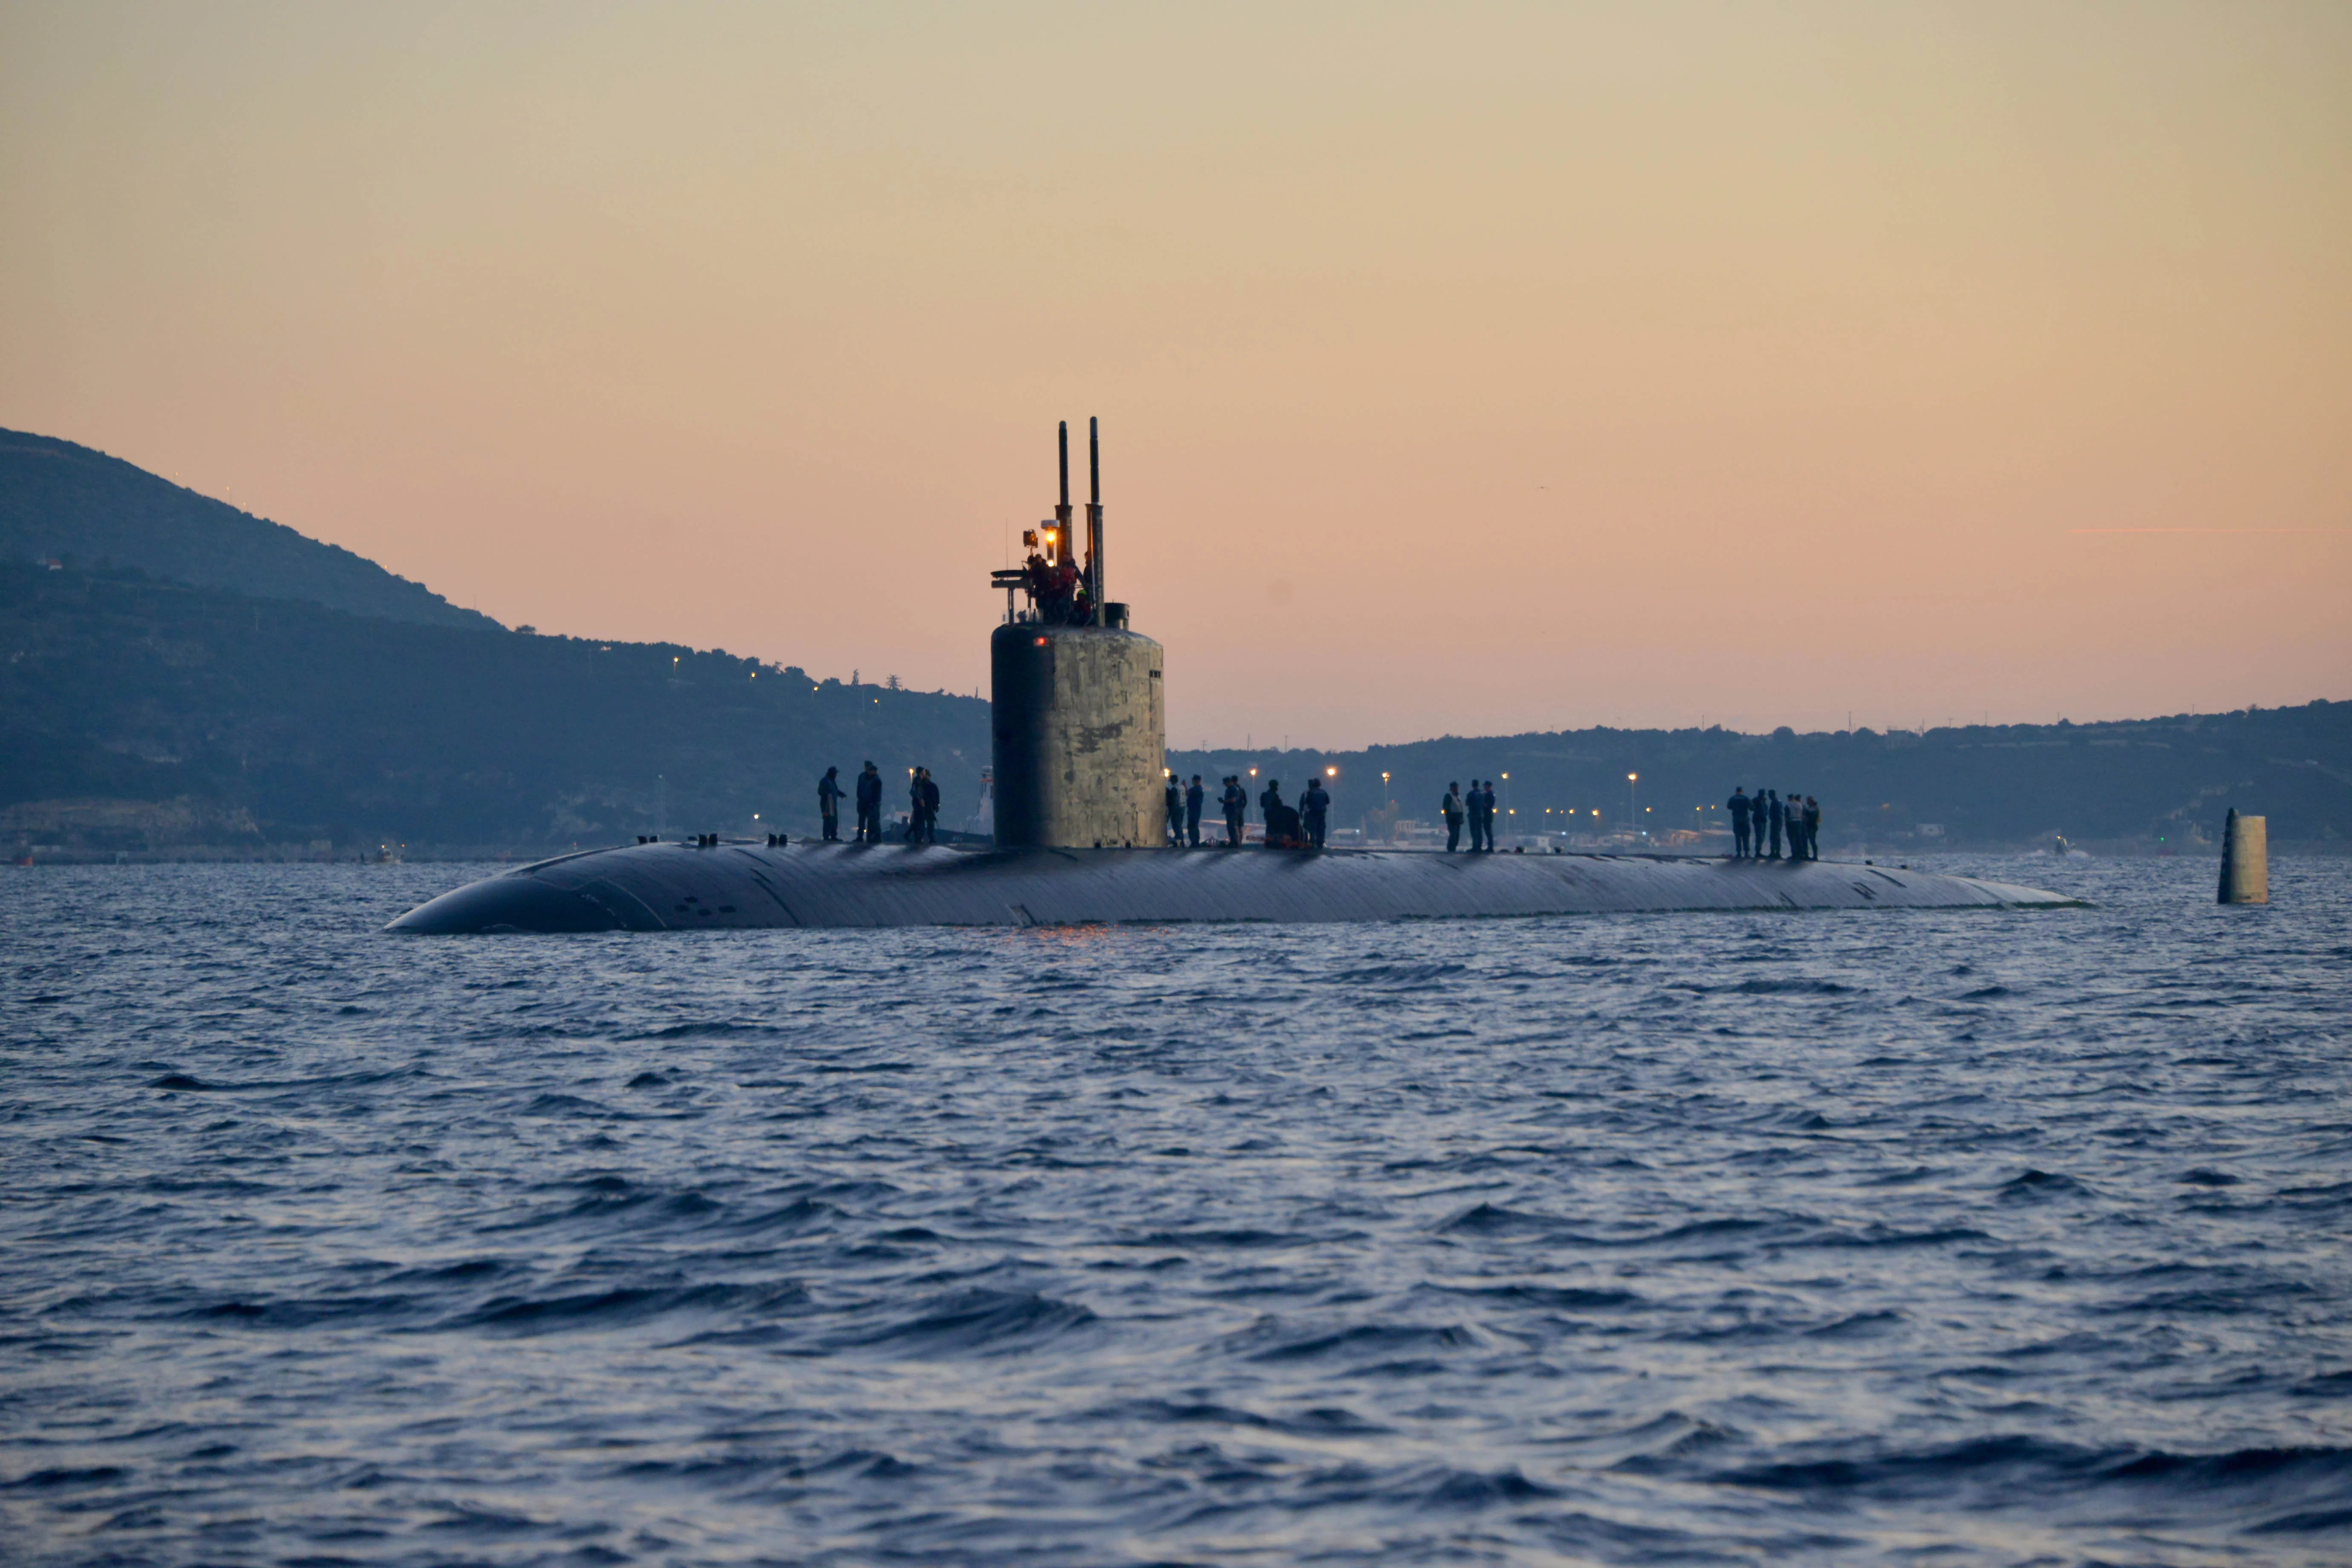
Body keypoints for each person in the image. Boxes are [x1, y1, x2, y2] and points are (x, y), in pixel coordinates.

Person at [855, 761, 883, 844]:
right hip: (864, 802)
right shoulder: (862, 777)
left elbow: (876, 794)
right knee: (862, 820)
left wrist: (873, 803)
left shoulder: (876, 780)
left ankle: (872, 838)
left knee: (873, 821)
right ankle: (861, 837)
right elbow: (859, 789)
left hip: (872, 804)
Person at [1301, 775, 1330, 850]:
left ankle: (1312, 842)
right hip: (1322, 813)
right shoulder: (1324, 792)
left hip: (1313, 813)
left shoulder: (1310, 793)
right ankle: (1320, 843)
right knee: (1321, 828)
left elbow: (1307, 802)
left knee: (1313, 828)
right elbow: (1328, 802)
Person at [819, 766, 845, 842]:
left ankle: (834, 836)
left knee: (834, 820)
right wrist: (827, 794)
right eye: (835, 773)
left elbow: (835, 791)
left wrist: (841, 794)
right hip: (826, 804)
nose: (836, 775)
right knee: (828, 819)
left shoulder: (833, 781)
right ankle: (826, 836)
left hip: (833, 804)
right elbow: (820, 792)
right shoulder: (825, 781)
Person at [1222, 776, 1247, 847]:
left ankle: (1235, 842)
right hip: (1240, 810)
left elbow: (1233, 800)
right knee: (1239, 828)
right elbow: (1245, 801)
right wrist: (1242, 808)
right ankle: (1240, 843)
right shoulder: (1241, 790)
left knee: (1233, 827)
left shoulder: (1232, 790)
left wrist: (1224, 802)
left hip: (1233, 810)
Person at [1727, 787, 1750, 859]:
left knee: (1738, 837)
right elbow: (1752, 807)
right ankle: (1747, 853)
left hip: (1736, 820)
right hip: (1745, 820)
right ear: (1742, 791)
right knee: (1746, 837)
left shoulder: (1732, 799)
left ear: (1736, 791)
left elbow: (1729, 807)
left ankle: (1739, 853)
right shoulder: (1746, 799)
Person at [920, 768, 941, 844]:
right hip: (926, 807)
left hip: (928, 807)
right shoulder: (929, 786)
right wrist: (937, 805)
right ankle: (927, 837)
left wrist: (937, 805)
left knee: (930, 824)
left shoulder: (931, 786)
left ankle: (929, 837)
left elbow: (937, 797)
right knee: (927, 824)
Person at [1443, 782, 1465, 852]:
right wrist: (1448, 816)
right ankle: (1450, 848)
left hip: (1458, 818)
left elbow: (1461, 808)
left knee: (1457, 835)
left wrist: (1462, 818)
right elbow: (1446, 807)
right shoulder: (1449, 796)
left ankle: (1454, 847)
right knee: (1453, 834)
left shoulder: (1458, 797)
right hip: (1452, 818)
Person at [1185, 775, 1205, 848]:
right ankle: (1195, 842)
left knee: (1193, 826)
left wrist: (1185, 786)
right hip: (1193, 809)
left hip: (1195, 810)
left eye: (1194, 780)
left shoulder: (1198, 789)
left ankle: (1195, 842)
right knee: (1193, 826)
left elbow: (1188, 793)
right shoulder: (1196, 789)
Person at [1165, 775, 1185, 846]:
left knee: (1176, 827)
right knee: (1180, 827)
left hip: (1176, 809)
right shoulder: (1182, 787)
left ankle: (1179, 843)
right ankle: (1181, 842)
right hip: (1183, 809)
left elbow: (1173, 800)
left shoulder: (1175, 789)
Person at [1764, 790, 1783, 860]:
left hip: (1776, 822)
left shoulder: (1775, 802)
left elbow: (1775, 813)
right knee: (1777, 837)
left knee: (1774, 837)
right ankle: (1777, 852)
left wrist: (1772, 818)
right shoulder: (1779, 801)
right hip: (1779, 821)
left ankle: (1774, 852)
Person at [1801, 796, 1821, 861]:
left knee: (1812, 841)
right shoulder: (1810, 808)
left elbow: (1810, 813)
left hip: (1813, 826)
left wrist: (1805, 810)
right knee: (1808, 840)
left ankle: (1815, 856)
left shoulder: (1815, 808)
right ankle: (1807, 854)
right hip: (1809, 826)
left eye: (1808, 801)